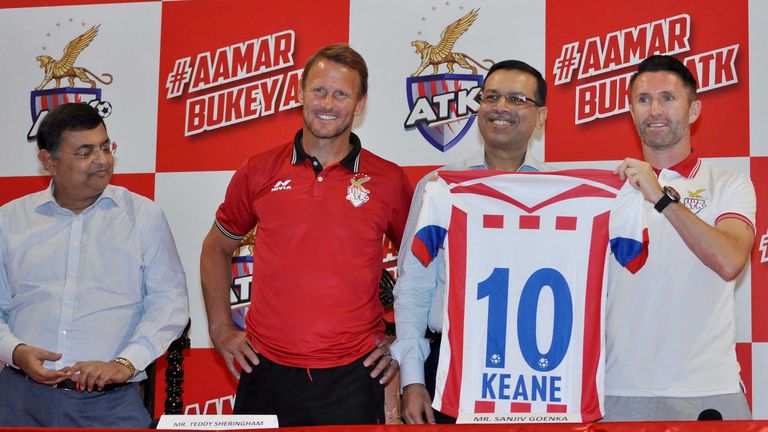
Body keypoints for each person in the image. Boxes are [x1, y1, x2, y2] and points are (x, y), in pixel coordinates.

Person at [200, 44, 412, 426]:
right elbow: (217, 248)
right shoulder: (259, 170)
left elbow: (421, 265)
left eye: (341, 93)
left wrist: (404, 340)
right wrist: (219, 328)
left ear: (360, 104)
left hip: (354, 374)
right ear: (300, 94)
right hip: (265, 369)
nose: (327, 103)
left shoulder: (389, 180)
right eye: (318, 90)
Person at [0, 103, 189, 428]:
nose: (101, 160)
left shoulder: (143, 217)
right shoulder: (10, 221)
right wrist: (15, 351)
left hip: (111, 405)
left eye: (105, 147)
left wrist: (125, 363)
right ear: (49, 161)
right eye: (85, 151)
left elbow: (169, 305)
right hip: (20, 399)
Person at [391, 59, 550, 424]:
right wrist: (412, 379)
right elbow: (413, 286)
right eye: (491, 96)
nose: (500, 108)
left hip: (535, 370)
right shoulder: (439, 186)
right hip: (447, 365)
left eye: (516, 99)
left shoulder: (562, 195)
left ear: (541, 116)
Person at [605, 55, 756, 421]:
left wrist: (660, 196)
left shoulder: (730, 184)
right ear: (631, 110)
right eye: (643, 100)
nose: (654, 109)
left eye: (668, 98)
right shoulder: (606, 190)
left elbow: (729, 260)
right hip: (619, 389)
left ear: (694, 110)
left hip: (707, 389)